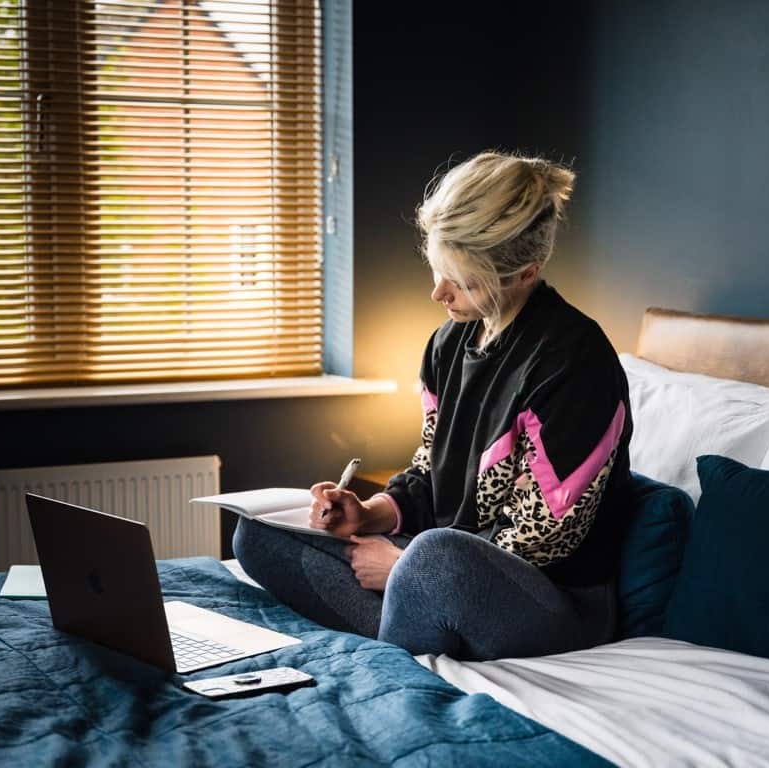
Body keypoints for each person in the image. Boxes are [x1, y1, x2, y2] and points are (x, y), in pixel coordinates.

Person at [233, 150, 634, 661]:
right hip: (439, 566)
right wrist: (368, 515)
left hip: (553, 602)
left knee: (434, 557)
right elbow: (428, 472)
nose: (437, 292)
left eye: (462, 281)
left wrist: (400, 564)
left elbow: (541, 540)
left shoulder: (575, 362)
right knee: (258, 533)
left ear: (524, 273)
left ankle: (404, 618)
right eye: (438, 269)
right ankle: (410, 616)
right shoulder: (448, 344)